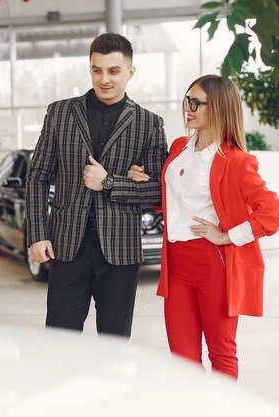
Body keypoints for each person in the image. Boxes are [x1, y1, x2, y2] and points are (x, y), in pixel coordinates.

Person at [128, 74, 279, 378]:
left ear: (220, 109)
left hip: (214, 265)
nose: (189, 107)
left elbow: (272, 212)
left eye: (197, 102)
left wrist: (227, 236)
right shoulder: (178, 148)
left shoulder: (236, 160)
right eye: (188, 100)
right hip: (175, 264)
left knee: (221, 353)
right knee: (183, 359)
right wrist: (143, 180)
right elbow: (172, 199)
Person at [25, 33, 167, 338]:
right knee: (59, 342)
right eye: (96, 70)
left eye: (114, 71)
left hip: (120, 252)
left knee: (113, 347)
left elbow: (158, 190)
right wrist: (37, 235)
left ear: (130, 72)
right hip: (65, 247)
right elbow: (37, 176)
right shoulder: (60, 113)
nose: (104, 79)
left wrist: (110, 183)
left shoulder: (148, 123)